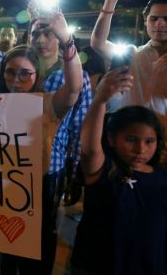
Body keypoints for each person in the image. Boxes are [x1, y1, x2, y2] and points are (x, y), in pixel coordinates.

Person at [0, 0, 84, 274]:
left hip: (45, 175)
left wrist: (74, 172)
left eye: (49, 33)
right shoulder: (10, 74)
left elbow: (77, 109)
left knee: (34, 249)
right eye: (35, 33)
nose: (17, 79)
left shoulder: (59, 87)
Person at [71, 68, 167, 274]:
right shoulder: (103, 172)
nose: (140, 149)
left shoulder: (162, 178)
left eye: (149, 141)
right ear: (111, 138)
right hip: (99, 266)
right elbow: (89, 149)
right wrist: (100, 100)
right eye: (131, 140)